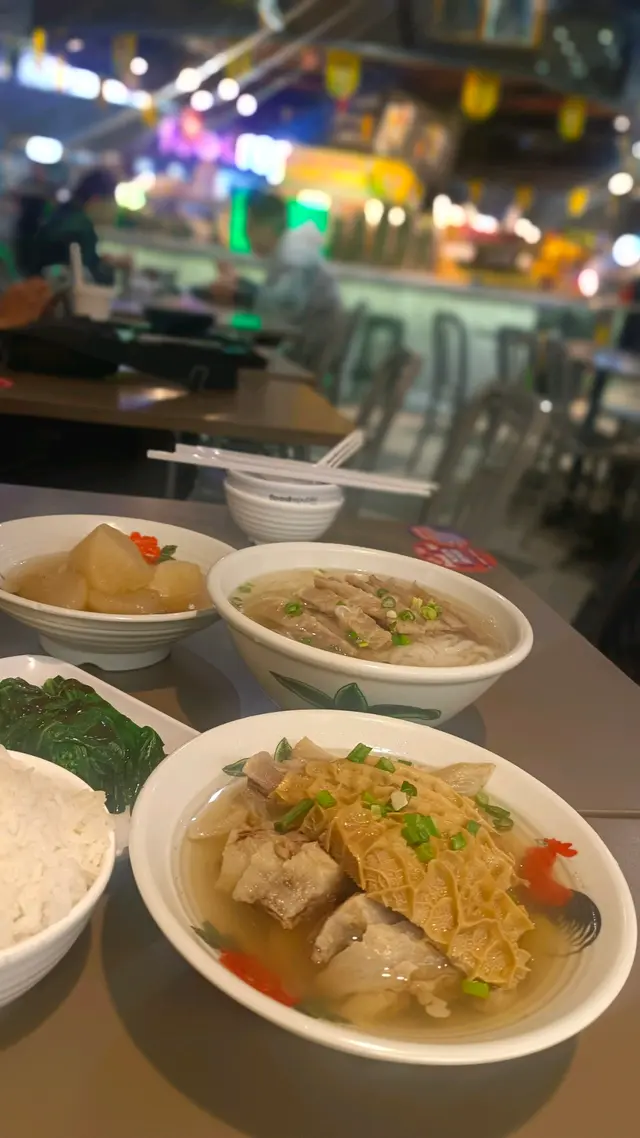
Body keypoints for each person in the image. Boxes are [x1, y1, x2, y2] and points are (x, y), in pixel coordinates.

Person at [212, 190, 343, 369]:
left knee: (227, 359)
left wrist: (238, 293)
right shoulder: (287, 250)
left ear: (267, 228)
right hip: (300, 347)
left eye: (249, 227)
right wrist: (240, 284)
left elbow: (285, 305)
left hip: (302, 357)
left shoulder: (295, 254)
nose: (245, 235)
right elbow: (276, 300)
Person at [26, 169, 118, 284]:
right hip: (54, 288)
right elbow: (85, 273)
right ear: (96, 199)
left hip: (37, 280)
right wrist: (111, 272)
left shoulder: (63, 211)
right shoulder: (81, 227)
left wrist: (100, 260)